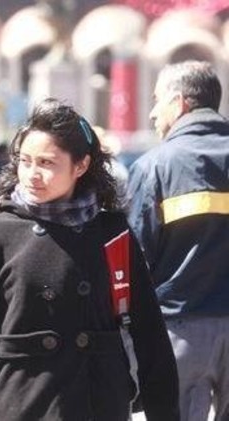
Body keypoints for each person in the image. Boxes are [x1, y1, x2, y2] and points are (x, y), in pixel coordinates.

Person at [0, 98, 179, 420]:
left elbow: (150, 337)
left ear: (80, 166)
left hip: (98, 404)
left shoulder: (112, 232)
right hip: (18, 404)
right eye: (25, 161)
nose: (32, 174)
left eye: (47, 163)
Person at [127, 60, 229, 421]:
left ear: (181, 102)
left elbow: (135, 259)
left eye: (158, 100)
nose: (153, 112)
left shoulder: (154, 166)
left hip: (180, 332)